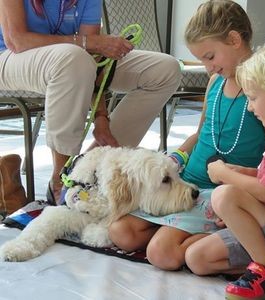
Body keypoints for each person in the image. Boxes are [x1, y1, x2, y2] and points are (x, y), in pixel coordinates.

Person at [109, 0, 265, 270]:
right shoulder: (215, 81)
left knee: (161, 253)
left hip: (219, 191)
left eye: (209, 57)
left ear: (233, 39)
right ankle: (184, 233)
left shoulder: (262, 86)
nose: (207, 67)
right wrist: (176, 158)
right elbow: (200, 133)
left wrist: (245, 199)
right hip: (187, 182)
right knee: (120, 232)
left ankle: (236, 238)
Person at [0, 0, 181, 204]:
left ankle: (89, 169)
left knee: (165, 70)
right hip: (9, 57)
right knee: (73, 57)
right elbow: (17, 40)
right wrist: (88, 42)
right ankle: (62, 179)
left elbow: (93, 56)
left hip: (71, 60)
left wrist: (101, 119)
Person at [186, 37, 265, 300]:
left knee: (224, 194)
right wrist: (245, 173)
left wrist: (225, 175)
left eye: (254, 98)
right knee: (196, 258)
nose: (250, 107)